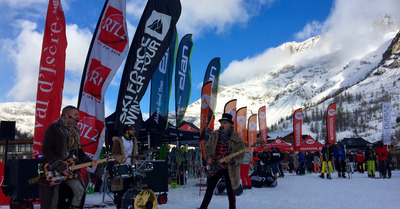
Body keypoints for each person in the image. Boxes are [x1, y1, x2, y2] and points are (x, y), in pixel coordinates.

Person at [39, 105, 97, 209]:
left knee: (80, 191)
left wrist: (89, 161)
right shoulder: (53, 128)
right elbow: (46, 149)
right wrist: (58, 164)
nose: (78, 117)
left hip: (68, 168)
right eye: (75, 114)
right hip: (54, 169)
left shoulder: (75, 131)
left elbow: (79, 151)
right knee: (53, 200)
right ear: (67, 115)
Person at [199, 113, 245, 209]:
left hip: (230, 168)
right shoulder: (215, 134)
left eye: (224, 123)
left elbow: (241, 155)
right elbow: (208, 148)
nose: (222, 125)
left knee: (230, 190)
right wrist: (209, 157)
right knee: (210, 188)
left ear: (230, 124)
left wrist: (232, 160)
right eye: (221, 122)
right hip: (216, 165)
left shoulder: (237, 138)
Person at [110, 124, 138, 208]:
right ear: (127, 131)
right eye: (132, 130)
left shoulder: (134, 140)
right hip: (121, 168)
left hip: (131, 167)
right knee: (121, 192)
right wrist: (120, 158)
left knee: (131, 189)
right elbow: (114, 154)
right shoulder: (119, 140)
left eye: (134, 129)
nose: (134, 131)